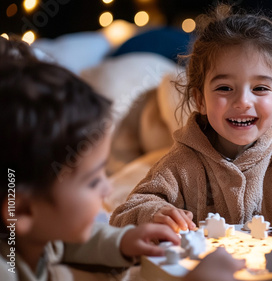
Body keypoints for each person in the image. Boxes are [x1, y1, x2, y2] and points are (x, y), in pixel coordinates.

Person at [0, 37, 244, 281]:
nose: (107, 187)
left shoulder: (37, 232)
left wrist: (123, 242)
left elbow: (65, 242)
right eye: (93, 181)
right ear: (21, 210)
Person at [110, 5, 272, 238]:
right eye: (225, 88)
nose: (243, 101)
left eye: (260, 88)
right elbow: (125, 214)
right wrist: (155, 213)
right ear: (200, 99)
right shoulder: (181, 163)